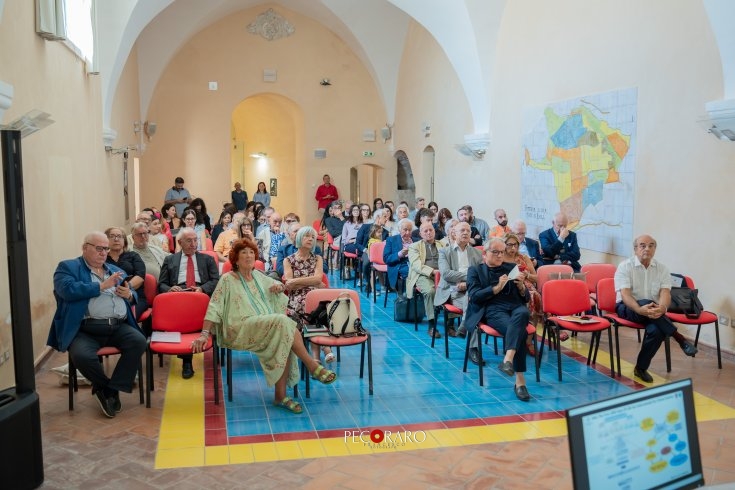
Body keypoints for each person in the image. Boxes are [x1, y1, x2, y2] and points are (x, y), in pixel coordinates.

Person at [191, 239, 337, 415]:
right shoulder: (227, 279)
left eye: (251, 252)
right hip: (238, 329)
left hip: (262, 325)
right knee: (283, 324)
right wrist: (204, 333)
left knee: (285, 335)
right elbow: (214, 307)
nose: (249, 256)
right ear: (235, 259)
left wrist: (278, 287)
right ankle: (311, 365)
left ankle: (280, 396)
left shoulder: (259, 276)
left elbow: (281, 289)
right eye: (244, 252)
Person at [47, 231, 147, 418]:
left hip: (118, 326)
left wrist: (129, 295)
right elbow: (66, 290)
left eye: (106, 249)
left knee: (139, 341)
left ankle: (110, 389)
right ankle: (104, 386)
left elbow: (132, 294)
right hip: (85, 329)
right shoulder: (68, 267)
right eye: (99, 248)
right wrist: (101, 286)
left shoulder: (113, 270)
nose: (103, 253)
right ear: (85, 248)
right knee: (81, 355)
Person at [614, 235, 698, 383]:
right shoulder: (625, 266)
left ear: (655, 249)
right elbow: (626, 295)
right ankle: (680, 339)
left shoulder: (662, 269)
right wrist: (640, 309)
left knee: (657, 330)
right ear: (635, 249)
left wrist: (663, 308)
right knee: (647, 302)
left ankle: (640, 368)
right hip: (628, 308)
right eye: (642, 245)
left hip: (653, 312)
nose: (647, 248)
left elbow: (665, 293)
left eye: (651, 245)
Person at [464, 238, 532, 401]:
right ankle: (520, 382)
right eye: (496, 252)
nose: (500, 255)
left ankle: (508, 359)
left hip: (515, 308)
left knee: (523, 313)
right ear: (485, 253)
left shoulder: (511, 268)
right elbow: (474, 297)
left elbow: (526, 298)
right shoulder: (475, 270)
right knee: (519, 332)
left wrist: (522, 287)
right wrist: (496, 288)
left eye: (502, 252)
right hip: (492, 310)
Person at [158, 228, 220, 378]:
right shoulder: (170, 260)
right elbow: (161, 284)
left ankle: (188, 358)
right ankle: (187, 360)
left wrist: (202, 289)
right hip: (179, 295)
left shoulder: (207, 259)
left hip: (200, 294)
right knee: (183, 313)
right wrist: (170, 288)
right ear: (179, 243)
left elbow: (216, 281)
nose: (193, 244)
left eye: (195, 240)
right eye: (189, 241)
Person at [283, 226, 333, 363]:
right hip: (296, 298)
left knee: (312, 304)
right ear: (299, 238)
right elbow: (289, 284)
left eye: (313, 237)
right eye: (307, 236)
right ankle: (324, 348)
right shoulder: (288, 260)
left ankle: (316, 357)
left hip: (314, 296)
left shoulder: (317, 258)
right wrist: (311, 282)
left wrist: (296, 280)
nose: (311, 239)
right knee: (309, 305)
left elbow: (318, 279)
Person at [435, 222, 483, 338]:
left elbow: (481, 275)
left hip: (470, 290)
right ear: (454, 234)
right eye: (462, 230)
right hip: (452, 291)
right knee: (476, 306)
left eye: (468, 231)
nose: (466, 232)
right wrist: (470, 277)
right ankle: (472, 347)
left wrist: (467, 284)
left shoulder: (477, 253)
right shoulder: (444, 252)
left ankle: (465, 331)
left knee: (473, 301)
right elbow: (446, 274)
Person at [502, 232, 542, 355]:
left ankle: (528, 341)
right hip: (509, 287)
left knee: (534, 296)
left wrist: (527, 275)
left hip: (527, 285)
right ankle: (517, 339)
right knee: (529, 296)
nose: (513, 248)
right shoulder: (500, 258)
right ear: (504, 245)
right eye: (509, 245)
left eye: (515, 245)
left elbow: (537, 278)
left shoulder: (523, 258)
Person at [407, 221, 446, 338]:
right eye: (425, 231)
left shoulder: (442, 245)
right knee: (430, 291)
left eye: (431, 230)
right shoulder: (414, 247)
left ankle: (450, 325)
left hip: (442, 275)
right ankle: (431, 324)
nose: (429, 233)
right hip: (423, 275)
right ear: (420, 234)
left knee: (453, 290)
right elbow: (416, 265)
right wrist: (433, 272)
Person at [105, 227, 148, 320]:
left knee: (125, 316)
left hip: (135, 297)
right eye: (112, 236)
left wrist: (127, 287)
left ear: (124, 241)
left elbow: (140, 276)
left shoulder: (133, 256)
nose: (116, 239)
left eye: (119, 236)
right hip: (109, 295)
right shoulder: (102, 258)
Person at [355, 208, 389, 294]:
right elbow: (357, 243)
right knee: (367, 263)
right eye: (384, 216)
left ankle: (384, 285)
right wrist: (365, 250)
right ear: (378, 217)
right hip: (366, 251)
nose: (386, 219)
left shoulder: (385, 232)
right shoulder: (365, 227)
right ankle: (368, 283)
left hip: (380, 253)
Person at [383, 218, 418, 294]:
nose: (408, 232)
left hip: (416, 264)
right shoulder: (391, 240)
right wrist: (400, 254)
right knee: (411, 273)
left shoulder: (417, 241)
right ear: (399, 229)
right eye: (405, 230)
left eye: (410, 230)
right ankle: (407, 297)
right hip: (400, 264)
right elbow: (386, 259)